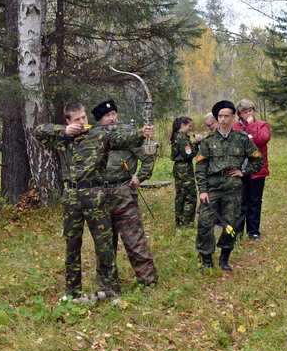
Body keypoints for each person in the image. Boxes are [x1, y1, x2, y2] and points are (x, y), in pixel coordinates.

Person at [35, 101, 153, 304]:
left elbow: (122, 137)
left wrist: (142, 133)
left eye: (84, 117)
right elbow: (38, 131)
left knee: (104, 244)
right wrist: (66, 131)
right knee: (72, 244)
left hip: (95, 194)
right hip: (72, 195)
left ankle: (110, 290)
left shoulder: (99, 134)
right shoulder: (62, 138)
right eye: (77, 119)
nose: (82, 122)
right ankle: (72, 291)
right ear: (68, 120)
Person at [93, 100, 158, 286]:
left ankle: (148, 280)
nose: (112, 118)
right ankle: (107, 283)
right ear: (100, 120)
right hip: (99, 194)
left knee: (134, 238)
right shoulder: (94, 137)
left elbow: (147, 157)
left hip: (123, 192)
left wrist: (140, 177)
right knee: (104, 241)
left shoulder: (128, 134)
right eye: (107, 116)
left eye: (114, 114)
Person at [195, 100, 263, 271]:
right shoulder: (208, 141)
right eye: (220, 116)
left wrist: (244, 171)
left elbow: (257, 160)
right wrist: (202, 190)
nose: (223, 119)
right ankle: (206, 259)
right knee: (204, 223)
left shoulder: (242, 139)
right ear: (217, 118)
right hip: (212, 187)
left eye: (226, 116)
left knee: (231, 225)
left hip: (233, 188)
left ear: (233, 117)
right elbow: (201, 166)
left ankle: (225, 256)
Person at [233, 99, 271, 241]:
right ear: (239, 114)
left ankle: (253, 231)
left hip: (257, 171)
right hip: (240, 170)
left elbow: (262, 139)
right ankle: (238, 231)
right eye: (245, 111)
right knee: (240, 201)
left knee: (255, 201)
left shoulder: (262, 125)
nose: (248, 113)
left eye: (250, 110)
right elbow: (237, 143)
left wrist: (250, 126)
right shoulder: (235, 127)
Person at [170, 116, 198, 227]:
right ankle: (187, 222)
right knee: (190, 196)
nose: (190, 128)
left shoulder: (177, 136)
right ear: (182, 125)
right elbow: (189, 154)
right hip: (184, 169)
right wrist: (196, 144)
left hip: (179, 168)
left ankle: (180, 221)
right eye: (189, 126)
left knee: (181, 195)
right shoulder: (182, 138)